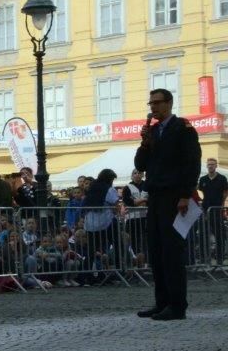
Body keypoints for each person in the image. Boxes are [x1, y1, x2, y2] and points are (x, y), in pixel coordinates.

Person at [134, 88, 200, 320]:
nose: (153, 107)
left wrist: (185, 194)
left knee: (172, 252)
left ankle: (177, 305)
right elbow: (140, 165)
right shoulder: (152, 132)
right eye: (151, 103)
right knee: (157, 251)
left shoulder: (182, 128)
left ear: (169, 103)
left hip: (174, 196)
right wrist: (144, 143)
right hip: (156, 197)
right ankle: (162, 302)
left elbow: (192, 163)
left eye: (157, 103)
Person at [81, 168, 121, 285]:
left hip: (91, 222)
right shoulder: (109, 189)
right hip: (105, 222)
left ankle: (86, 276)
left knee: (91, 250)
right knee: (117, 244)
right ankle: (118, 271)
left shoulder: (92, 187)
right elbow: (115, 203)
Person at [196, 158, 226, 265]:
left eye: (212, 164)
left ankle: (220, 258)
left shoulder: (222, 179)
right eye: (208, 164)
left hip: (217, 210)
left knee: (219, 235)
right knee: (203, 235)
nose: (210, 166)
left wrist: (222, 205)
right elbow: (200, 193)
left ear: (216, 165)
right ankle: (204, 258)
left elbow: (225, 192)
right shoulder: (203, 179)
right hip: (205, 211)